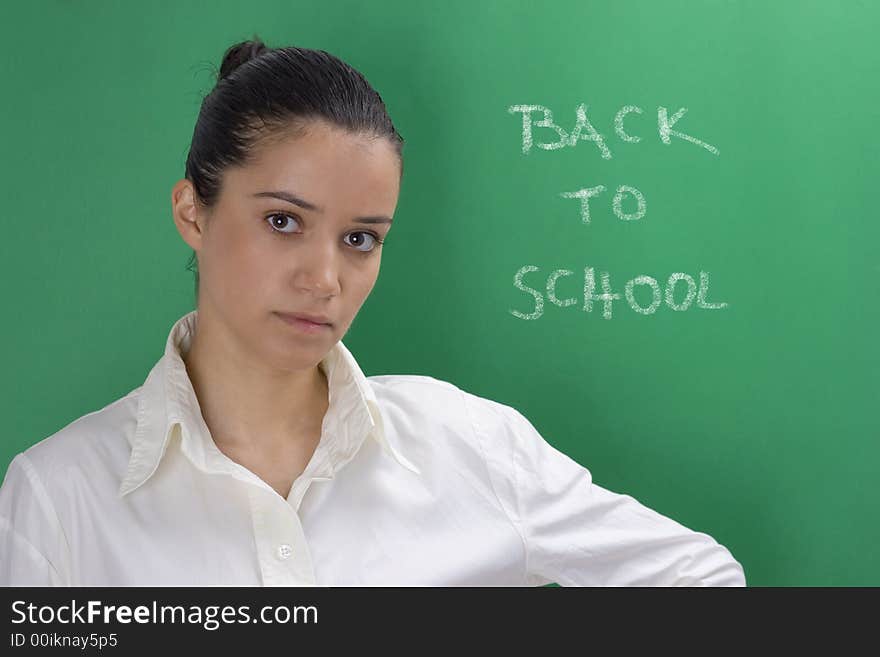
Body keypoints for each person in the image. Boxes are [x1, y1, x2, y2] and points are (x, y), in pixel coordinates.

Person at [0, 37, 745, 587]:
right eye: (284, 221)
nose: (326, 277)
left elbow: (705, 578)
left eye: (360, 238)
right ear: (193, 211)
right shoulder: (58, 498)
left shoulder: (471, 447)